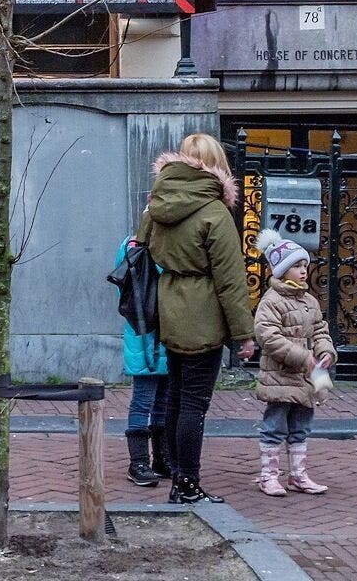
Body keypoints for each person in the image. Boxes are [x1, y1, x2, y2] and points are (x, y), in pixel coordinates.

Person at [134, 132, 255, 504]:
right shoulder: (215, 213)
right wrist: (243, 334)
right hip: (203, 314)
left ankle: (174, 473)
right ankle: (187, 483)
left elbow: (141, 245)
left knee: (175, 396)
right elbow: (230, 280)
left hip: (169, 306)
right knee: (194, 403)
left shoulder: (157, 204)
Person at [252, 230, 336, 497]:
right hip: (281, 376)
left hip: (306, 378)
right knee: (275, 426)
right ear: (281, 270)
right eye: (296, 266)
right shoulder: (271, 302)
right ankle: (268, 476)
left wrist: (325, 351)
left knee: (301, 426)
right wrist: (303, 357)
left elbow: (320, 330)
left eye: (304, 266)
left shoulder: (309, 301)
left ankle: (298, 475)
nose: (303, 271)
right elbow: (269, 338)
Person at [115, 235, 171, 487]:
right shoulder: (135, 246)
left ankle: (161, 458)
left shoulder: (133, 245)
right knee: (143, 401)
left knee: (163, 402)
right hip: (147, 337)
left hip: (161, 336)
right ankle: (138, 462)